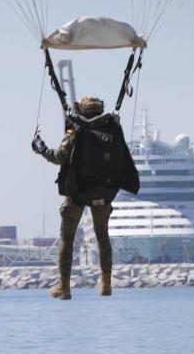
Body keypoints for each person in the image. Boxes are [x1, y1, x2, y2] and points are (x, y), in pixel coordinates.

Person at [32, 96, 139, 300]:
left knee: (67, 237)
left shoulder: (77, 130)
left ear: (82, 111)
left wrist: (41, 148)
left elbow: (59, 157)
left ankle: (64, 287)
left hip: (78, 194)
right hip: (105, 194)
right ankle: (106, 284)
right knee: (102, 237)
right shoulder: (113, 129)